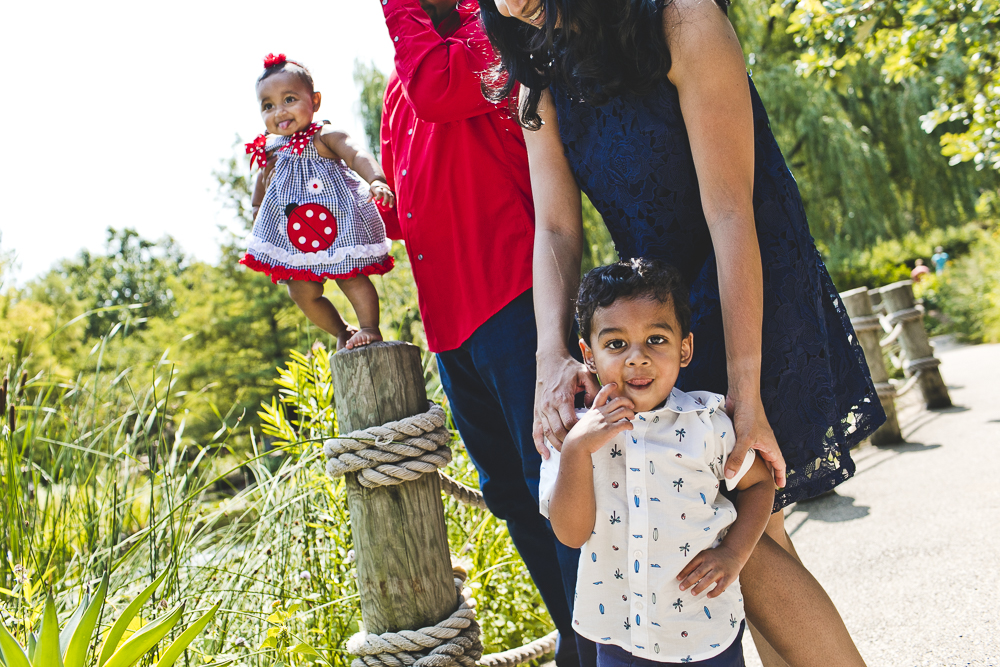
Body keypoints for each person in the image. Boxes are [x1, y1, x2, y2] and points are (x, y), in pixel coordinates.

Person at [477, 1, 885, 665]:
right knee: (752, 533)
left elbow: (731, 213)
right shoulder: (539, 82)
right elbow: (555, 230)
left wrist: (746, 393)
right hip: (665, 320)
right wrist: (550, 355)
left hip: (751, 287)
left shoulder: (683, 19)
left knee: (737, 521)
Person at [376, 3, 590, 665]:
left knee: (554, 480)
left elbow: (440, 91)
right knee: (511, 496)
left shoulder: (488, 31)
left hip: (518, 302)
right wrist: (319, 193)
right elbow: (404, 213)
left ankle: (606, 647)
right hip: (450, 330)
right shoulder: (401, 79)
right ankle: (577, 643)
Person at [540, 259, 775, 666]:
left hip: (705, 632)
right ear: (588, 355)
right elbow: (571, 535)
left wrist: (734, 554)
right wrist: (578, 450)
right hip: (618, 637)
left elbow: (759, 483)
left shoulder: (707, 425)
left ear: (684, 348)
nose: (638, 358)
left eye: (656, 340)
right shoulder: (570, 437)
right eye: (615, 344)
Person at [242, 53, 396, 351]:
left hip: (338, 223)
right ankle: (342, 330)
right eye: (268, 105)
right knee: (300, 290)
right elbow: (261, 186)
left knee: (350, 275)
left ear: (315, 100)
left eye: (289, 99)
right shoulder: (271, 149)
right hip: (294, 233)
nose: (279, 111)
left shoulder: (325, 136)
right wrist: (258, 214)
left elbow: (356, 155)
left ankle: (369, 327)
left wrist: (377, 180)